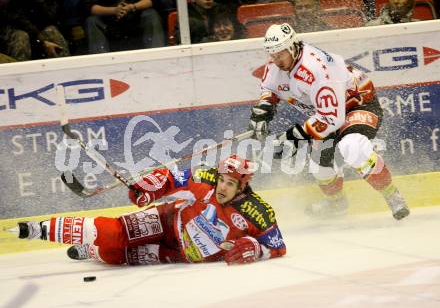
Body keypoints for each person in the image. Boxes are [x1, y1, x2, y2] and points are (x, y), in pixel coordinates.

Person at [248, 23, 410, 220]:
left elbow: (332, 119)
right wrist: (264, 109)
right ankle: (337, 204)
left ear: (293, 47)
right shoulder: (276, 63)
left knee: (352, 147)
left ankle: (392, 195)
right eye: (271, 54)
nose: (275, 59)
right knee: (319, 166)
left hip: (357, 104)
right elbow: (270, 88)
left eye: (280, 53)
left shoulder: (316, 69)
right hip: (327, 112)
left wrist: (292, 138)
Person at [11, 155, 286, 265]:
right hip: (166, 221)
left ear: (242, 185)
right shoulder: (206, 178)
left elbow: (278, 247)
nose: (222, 188)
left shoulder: (258, 211)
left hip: (178, 255)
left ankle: (93, 248)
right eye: (222, 180)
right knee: (112, 233)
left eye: (230, 183)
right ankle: (38, 228)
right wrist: (149, 190)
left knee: (112, 256)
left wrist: (256, 247)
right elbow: (171, 176)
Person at [83, 0, 165, 53]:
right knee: (92, 21)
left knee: (151, 14)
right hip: (109, 24)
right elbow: (87, 6)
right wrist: (113, 10)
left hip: (138, 20)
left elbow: (155, 0)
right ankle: (100, 63)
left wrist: (133, 7)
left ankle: (157, 55)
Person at [0, 0, 70, 61]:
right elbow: (17, 20)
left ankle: (67, 68)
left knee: (51, 31)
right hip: (17, 32)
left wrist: (40, 2)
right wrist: (41, 41)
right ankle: (20, 73)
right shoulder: (13, 3)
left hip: (40, 32)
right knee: (21, 37)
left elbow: (52, 18)